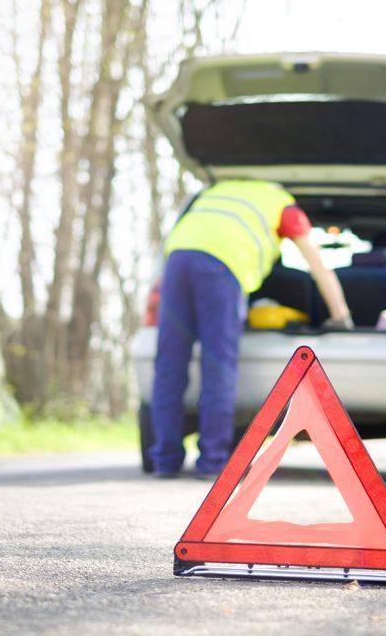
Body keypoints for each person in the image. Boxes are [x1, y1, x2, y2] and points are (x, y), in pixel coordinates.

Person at [150, 178, 353, 479]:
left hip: (177, 258)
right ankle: (212, 462)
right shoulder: (283, 205)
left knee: (169, 365)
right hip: (221, 266)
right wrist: (341, 315)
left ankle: (165, 462)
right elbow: (318, 265)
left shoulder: (218, 190)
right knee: (218, 365)